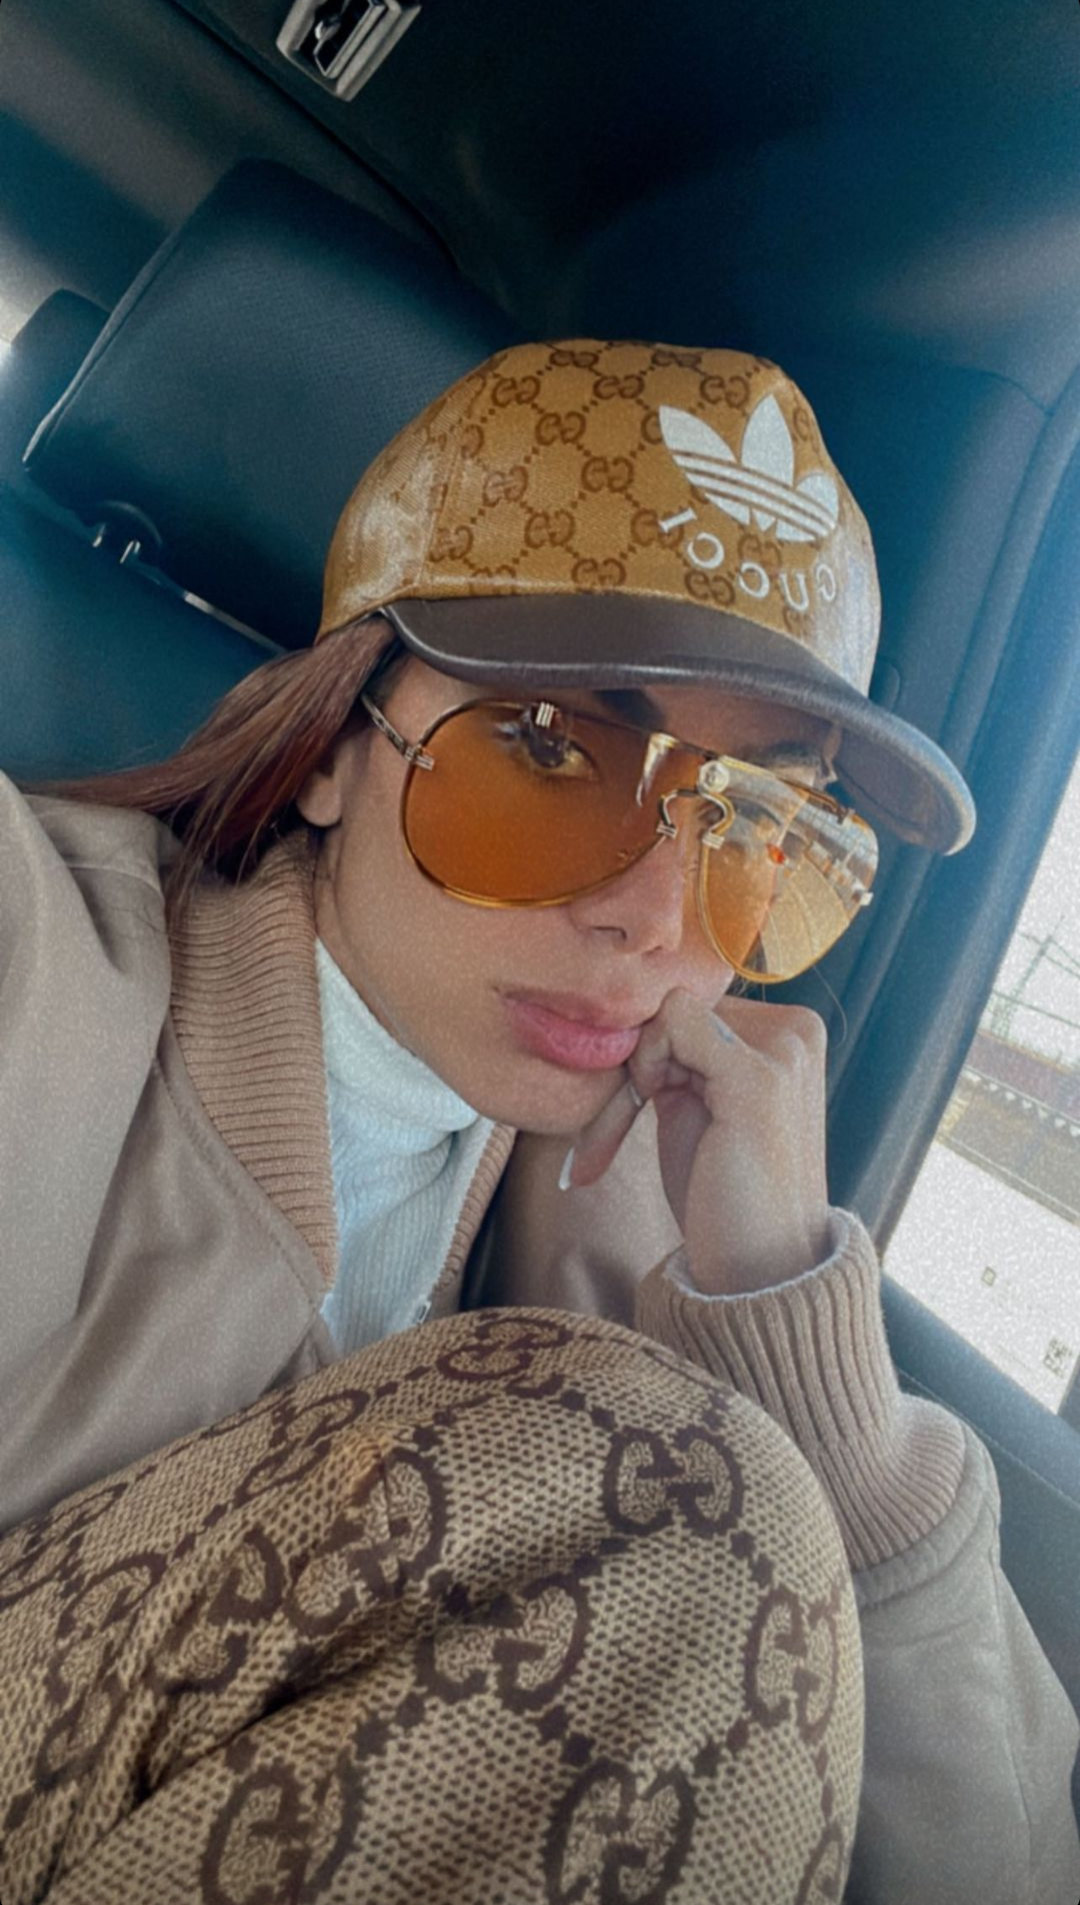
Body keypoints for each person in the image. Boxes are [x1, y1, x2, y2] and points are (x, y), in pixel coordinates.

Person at [0, 339, 1077, 1904]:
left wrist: (813, 1363)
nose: (659, 919)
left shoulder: (630, 1237)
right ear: (336, 743)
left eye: (757, 821)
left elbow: (1006, 1871)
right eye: (549, 747)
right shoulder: (38, 965)